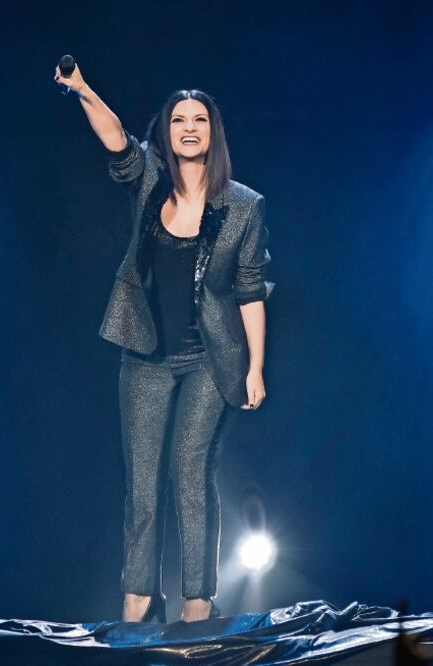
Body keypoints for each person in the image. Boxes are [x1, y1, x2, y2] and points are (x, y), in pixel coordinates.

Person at [54, 61, 274, 623]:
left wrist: (255, 368)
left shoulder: (244, 206)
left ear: (212, 132)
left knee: (191, 473)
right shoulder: (150, 178)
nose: (190, 127)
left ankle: (198, 599)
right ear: (168, 132)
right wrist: (82, 88)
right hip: (145, 356)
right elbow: (115, 139)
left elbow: (251, 290)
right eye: (180, 119)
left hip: (209, 359)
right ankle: (138, 595)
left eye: (200, 119)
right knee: (143, 485)